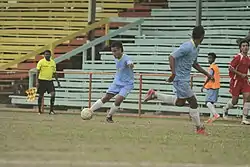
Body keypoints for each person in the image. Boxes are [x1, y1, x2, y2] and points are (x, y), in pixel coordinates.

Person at [144, 25, 213, 135]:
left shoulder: (196, 48)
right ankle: (199, 128)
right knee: (193, 101)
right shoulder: (187, 46)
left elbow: (194, 63)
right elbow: (171, 56)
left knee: (180, 102)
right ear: (202, 36)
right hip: (180, 79)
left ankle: (155, 95)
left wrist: (207, 74)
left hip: (183, 79)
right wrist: (173, 73)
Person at [89, 41, 134, 123]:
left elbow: (129, 62)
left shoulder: (126, 58)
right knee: (106, 97)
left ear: (121, 50)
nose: (114, 53)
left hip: (127, 84)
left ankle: (109, 116)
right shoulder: (116, 57)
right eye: (112, 51)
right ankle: (90, 111)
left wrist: (130, 64)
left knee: (118, 99)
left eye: (115, 51)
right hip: (117, 82)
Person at [223, 39, 250, 125]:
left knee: (248, 97)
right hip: (236, 81)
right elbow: (230, 68)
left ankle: (244, 118)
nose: (245, 47)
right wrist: (240, 74)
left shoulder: (248, 58)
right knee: (235, 101)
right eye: (243, 46)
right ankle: (225, 108)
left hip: (245, 81)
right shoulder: (238, 57)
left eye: (247, 46)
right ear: (240, 48)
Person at [36, 50, 60, 115]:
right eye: (45, 54)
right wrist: (37, 81)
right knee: (40, 95)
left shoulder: (53, 62)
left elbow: (54, 73)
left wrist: (57, 81)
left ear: (50, 55)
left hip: (49, 81)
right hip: (42, 80)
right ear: (44, 55)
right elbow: (37, 71)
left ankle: (51, 110)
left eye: (48, 54)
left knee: (53, 94)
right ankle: (39, 110)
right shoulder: (41, 62)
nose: (47, 55)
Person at [201, 52, 220, 123]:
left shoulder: (212, 67)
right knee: (211, 103)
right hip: (215, 86)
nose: (209, 59)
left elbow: (210, 76)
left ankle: (216, 115)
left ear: (214, 59)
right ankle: (211, 118)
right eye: (208, 58)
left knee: (208, 102)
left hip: (212, 87)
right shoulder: (215, 67)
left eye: (210, 58)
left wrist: (204, 85)